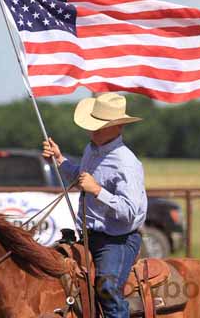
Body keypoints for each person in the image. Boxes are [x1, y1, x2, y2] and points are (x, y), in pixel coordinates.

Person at [42, 92, 147, 317]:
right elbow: (82, 177)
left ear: (117, 127)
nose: (93, 129)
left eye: (99, 125)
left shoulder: (126, 164)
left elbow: (129, 213)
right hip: (90, 236)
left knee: (106, 289)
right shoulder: (92, 150)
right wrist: (60, 160)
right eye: (93, 124)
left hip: (118, 241)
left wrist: (98, 191)